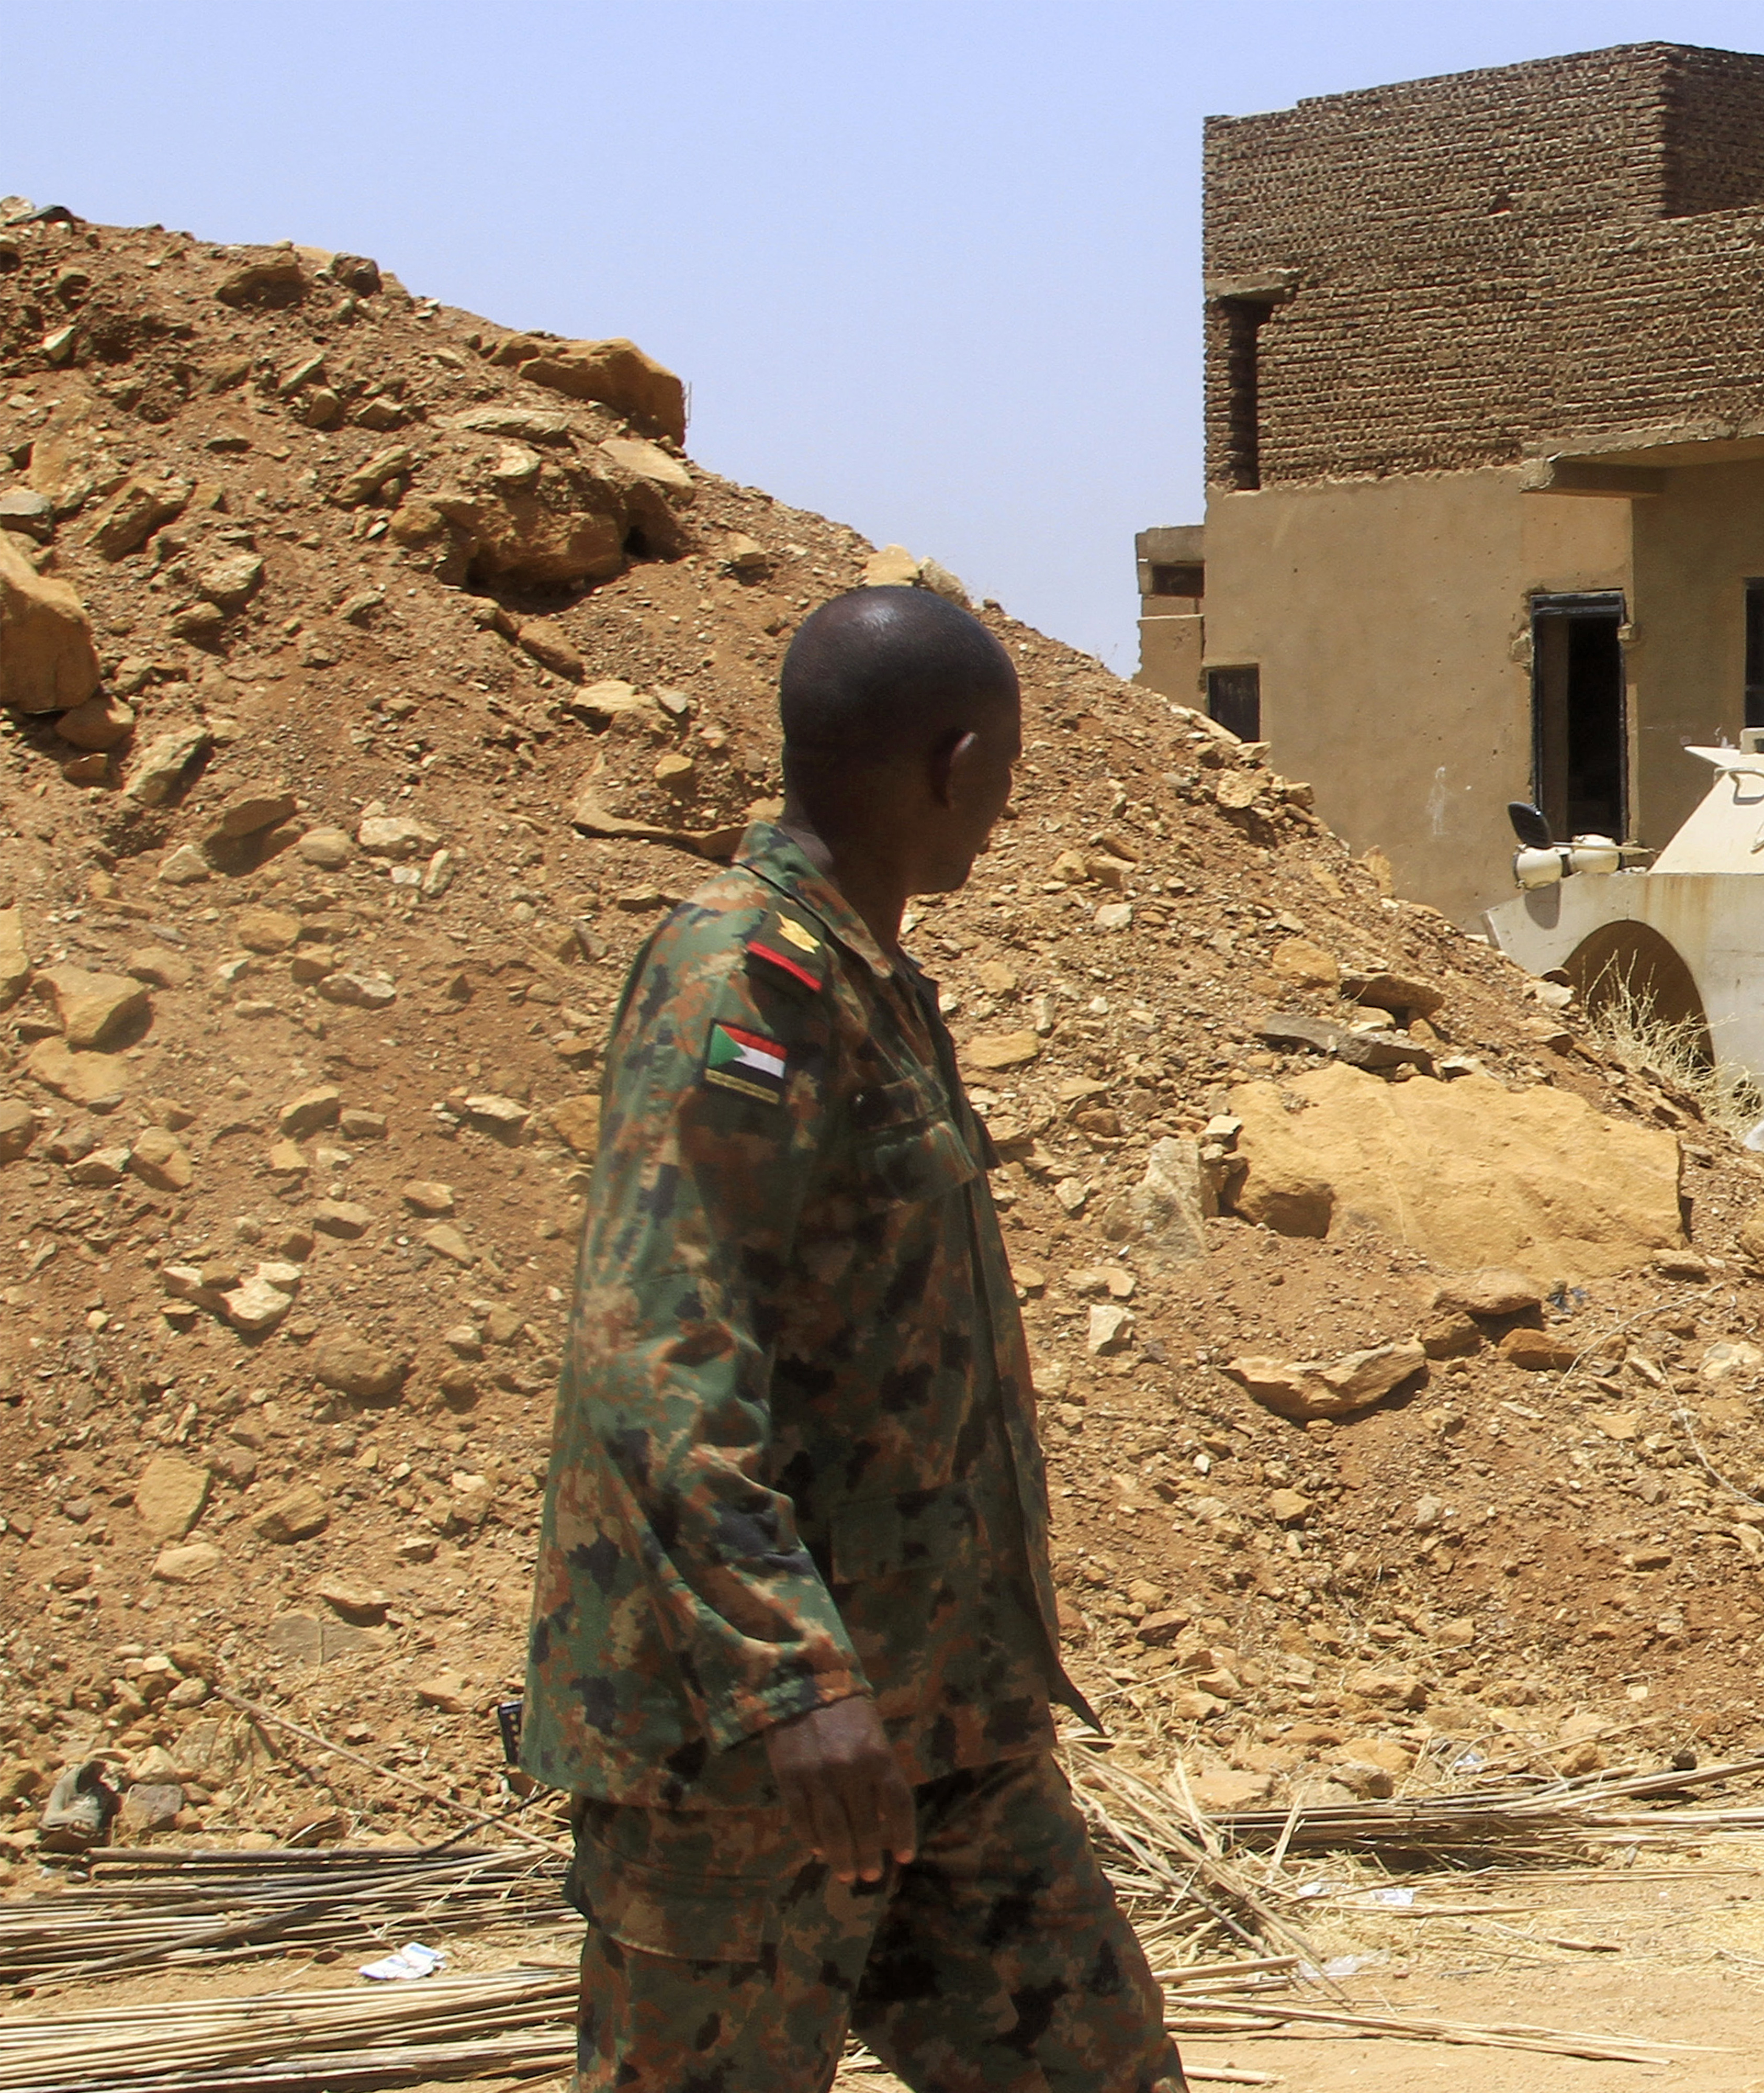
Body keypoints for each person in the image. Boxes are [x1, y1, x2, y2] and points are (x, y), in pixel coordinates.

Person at [522, 587, 1186, 2093]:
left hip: (945, 1733)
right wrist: (790, 1684)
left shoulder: (865, 984)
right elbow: (656, 1364)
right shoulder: (737, 981)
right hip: (753, 1758)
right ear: (953, 764)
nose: (1003, 820)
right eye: (1004, 780)